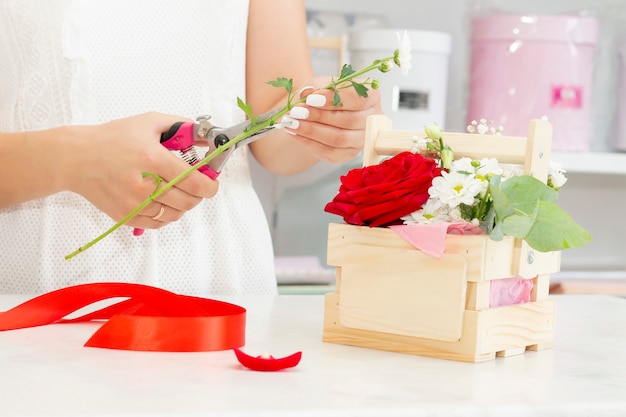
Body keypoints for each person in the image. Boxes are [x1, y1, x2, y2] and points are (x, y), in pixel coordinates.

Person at [0, 0, 382, 295]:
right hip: (40, 284)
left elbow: (274, 137)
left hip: (222, 277)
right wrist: (70, 159)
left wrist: (328, 122)